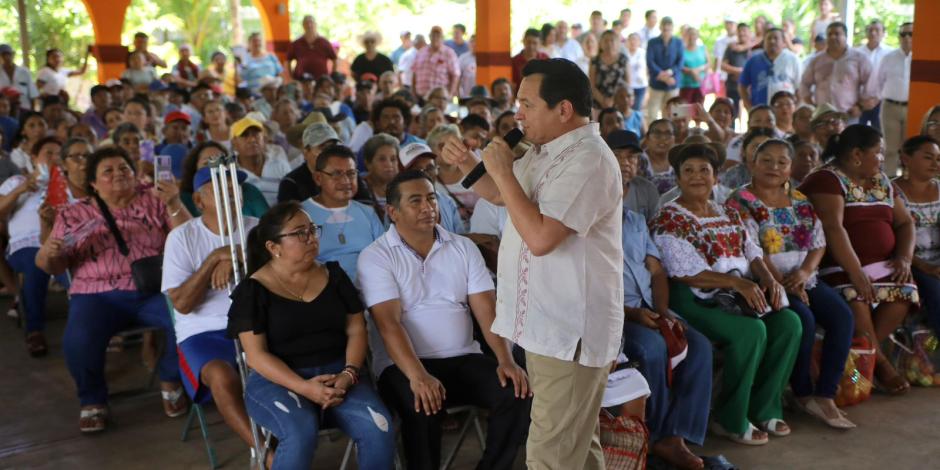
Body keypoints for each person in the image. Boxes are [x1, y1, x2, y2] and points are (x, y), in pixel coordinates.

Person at [441, 58, 624, 469]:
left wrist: (504, 171)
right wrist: (471, 165)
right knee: (575, 445)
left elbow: (540, 238)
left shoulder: (588, 159)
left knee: (549, 454)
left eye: (527, 104)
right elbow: (503, 196)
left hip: (568, 331)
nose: (517, 114)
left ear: (563, 110)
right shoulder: (546, 151)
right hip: (546, 327)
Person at [358, 170, 531, 470]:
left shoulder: (462, 247)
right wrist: (417, 375)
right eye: (416, 201)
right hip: (404, 366)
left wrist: (505, 358)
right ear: (393, 211)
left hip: (463, 357)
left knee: (516, 390)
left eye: (431, 198)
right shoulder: (376, 256)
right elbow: (389, 324)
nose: (428, 207)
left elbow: (487, 310)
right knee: (423, 403)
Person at [650, 142, 802, 445]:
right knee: (751, 331)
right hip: (692, 297)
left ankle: (764, 406)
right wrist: (737, 283)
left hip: (736, 295)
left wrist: (767, 278)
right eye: (688, 171)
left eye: (704, 170)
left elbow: (752, 251)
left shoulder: (727, 213)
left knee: (790, 324)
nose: (697, 176)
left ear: (715, 176)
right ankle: (729, 418)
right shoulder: (670, 217)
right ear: (678, 179)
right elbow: (685, 272)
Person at [228, 201, 395, 469]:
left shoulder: (334, 276)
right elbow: (256, 356)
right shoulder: (254, 291)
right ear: (273, 247)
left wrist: (349, 374)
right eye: (299, 233)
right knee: (299, 430)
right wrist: (305, 388)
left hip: (339, 375)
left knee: (378, 427)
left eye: (313, 230)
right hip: (277, 382)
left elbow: (355, 329)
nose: (311, 238)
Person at [35, 146, 190, 433]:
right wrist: (49, 251)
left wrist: (175, 203)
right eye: (108, 171)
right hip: (96, 295)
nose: (118, 174)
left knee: (188, 319)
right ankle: (92, 400)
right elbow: (52, 267)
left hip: (153, 289)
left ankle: (171, 379)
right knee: (78, 340)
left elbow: (189, 239)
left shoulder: (156, 200)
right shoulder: (73, 213)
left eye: (124, 168)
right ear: (92, 183)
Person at [725, 139, 856, 429]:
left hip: (803, 279)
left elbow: (818, 243)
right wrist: (782, 282)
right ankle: (801, 392)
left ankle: (826, 394)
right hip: (764, 281)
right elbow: (751, 248)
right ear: (752, 164)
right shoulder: (740, 200)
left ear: (790, 167)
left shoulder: (800, 200)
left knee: (842, 316)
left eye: (781, 162)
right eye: (766, 160)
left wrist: (805, 272)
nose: (774, 167)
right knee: (804, 319)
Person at [800, 124, 918, 396]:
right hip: (837, 264)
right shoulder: (826, 179)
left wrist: (904, 258)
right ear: (856, 154)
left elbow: (905, 224)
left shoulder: (881, 180)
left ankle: (863, 358)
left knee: (904, 293)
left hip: (882, 264)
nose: (882, 158)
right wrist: (856, 273)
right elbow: (833, 228)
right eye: (878, 152)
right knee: (857, 296)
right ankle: (881, 366)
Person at [162, 166, 260, 458]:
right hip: (203, 331)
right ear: (199, 200)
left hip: (255, 323)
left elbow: (282, 277)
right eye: (219, 190)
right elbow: (182, 304)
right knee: (222, 376)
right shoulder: (182, 237)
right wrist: (214, 259)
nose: (230, 194)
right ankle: (265, 454)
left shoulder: (256, 228)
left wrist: (237, 254)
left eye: (235, 189)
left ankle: (285, 436)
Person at [619, 206, 712, 469]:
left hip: (649, 307)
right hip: (615, 312)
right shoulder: (587, 221)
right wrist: (635, 314)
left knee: (699, 346)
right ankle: (654, 434)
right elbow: (591, 286)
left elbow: (657, 271)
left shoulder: (634, 219)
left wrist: (662, 313)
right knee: (651, 348)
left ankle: (676, 434)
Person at [0, 137, 68, 356]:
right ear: (34, 158)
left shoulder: (67, 184)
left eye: (59, 154)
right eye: (49, 153)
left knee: (79, 267)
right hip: (25, 244)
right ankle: (34, 330)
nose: (55, 158)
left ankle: (92, 322)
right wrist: (20, 190)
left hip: (62, 241)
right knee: (35, 262)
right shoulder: (16, 182)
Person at [301, 145, 384, 283]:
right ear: (318, 178)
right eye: (336, 174)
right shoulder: (301, 215)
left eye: (351, 173)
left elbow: (384, 255)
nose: (346, 181)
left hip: (371, 288)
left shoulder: (367, 212)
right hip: (321, 289)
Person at [892, 136, 940, 338]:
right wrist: (925, 266)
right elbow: (892, 239)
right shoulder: (892, 191)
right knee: (936, 293)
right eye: (929, 157)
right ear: (906, 158)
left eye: (938, 159)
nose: (935, 164)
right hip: (909, 262)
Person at [800, 23, 874, 121]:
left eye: (837, 34)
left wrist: (860, 106)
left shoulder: (859, 58)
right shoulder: (817, 60)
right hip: (822, 115)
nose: (833, 37)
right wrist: (811, 104)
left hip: (848, 115)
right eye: (829, 34)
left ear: (846, 37)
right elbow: (804, 83)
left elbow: (871, 85)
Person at [179, 141, 269, 218]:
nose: (216, 168)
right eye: (207, 163)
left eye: (221, 162)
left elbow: (267, 224)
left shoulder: (248, 191)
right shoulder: (184, 199)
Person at [870, 22, 913, 177]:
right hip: (890, 106)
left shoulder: (922, 57)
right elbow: (878, 82)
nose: (907, 37)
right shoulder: (888, 57)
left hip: (914, 108)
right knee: (890, 149)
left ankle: (909, 180)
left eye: (911, 34)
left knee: (911, 148)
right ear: (899, 37)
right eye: (903, 34)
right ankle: (889, 183)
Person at [398, 142, 466, 234]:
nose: (425, 174)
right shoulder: (397, 207)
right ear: (403, 174)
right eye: (417, 170)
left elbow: (460, 237)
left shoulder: (447, 201)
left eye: (430, 168)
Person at [231, 117, 290, 206]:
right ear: (234, 143)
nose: (252, 140)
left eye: (256, 135)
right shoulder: (230, 171)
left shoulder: (280, 165)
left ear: (265, 140)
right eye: (245, 135)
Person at [739, 28, 801, 110]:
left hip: (785, 112)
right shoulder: (753, 60)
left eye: (776, 38)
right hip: (760, 111)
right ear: (764, 42)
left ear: (783, 42)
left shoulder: (793, 59)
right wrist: (749, 107)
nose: (772, 41)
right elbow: (742, 85)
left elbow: (800, 88)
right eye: (769, 38)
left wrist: (796, 108)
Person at [607, 130, 658, 221]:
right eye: (617, 156)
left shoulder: (648, 190)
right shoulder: (595, 191)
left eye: (631, 157)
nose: (625, 163)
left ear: (638, 162)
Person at [855, 21, 892, 131]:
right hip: (859, 102)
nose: (873, 33)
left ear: (883, 33)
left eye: (877, 30)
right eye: (870, 30)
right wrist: (861, 101)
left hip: (881, 102)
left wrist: (877, 99)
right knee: (858, 134)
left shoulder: (889, 53)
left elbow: (889, 79)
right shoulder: (857, 52)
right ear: (866, 33)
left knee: (879, 135)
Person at [645, 17, 684, 123]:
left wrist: (669, 73)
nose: (666, 31)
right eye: (664, 28)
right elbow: (650, 61)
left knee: (671, 113)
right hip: (656, 82)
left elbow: (680, 62)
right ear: (660, 27)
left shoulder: (678, 42)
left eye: (668, 29)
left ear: (672, 28)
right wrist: (661, 74)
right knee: (652, 113)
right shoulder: (652, 42)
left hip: (672, 83)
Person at [412, 26, 460, 99]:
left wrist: (450, 95)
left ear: (442, 38)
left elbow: (455, 75)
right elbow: (414, 73)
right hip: (420, 96)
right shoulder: (421, 52)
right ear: (429, 36)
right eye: (433, 35)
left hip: (440, 97)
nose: (435, 38)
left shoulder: (449, 53)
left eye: (438, 36)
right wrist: (413, 93)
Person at [360, 133, 400, 218]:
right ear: (368, 163)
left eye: (393, 159)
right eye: (382, 159)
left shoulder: (403, 188)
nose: (389, 164)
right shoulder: (359, 189)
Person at [287, 15, 336, 81]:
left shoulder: (324, 42)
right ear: (303, 26)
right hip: (301, 80)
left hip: (320, 81)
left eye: (311, 22)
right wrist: (291, 77)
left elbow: (334, 59)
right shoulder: (296, 43)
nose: (309, 25)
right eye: (306, 23)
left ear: (315, 25)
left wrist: (332, 76)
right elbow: (288, 60)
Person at [590, 30, 630, 109]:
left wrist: (613, 100)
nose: (609, 43)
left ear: (617, 42)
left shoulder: (624, 59)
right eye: (606, 40)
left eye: (612, 40)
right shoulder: (594, 60)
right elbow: (591, 85)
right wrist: (603, 100)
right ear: (601, 43)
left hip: (619, 101)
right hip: (598, 102)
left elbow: (628, 83)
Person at [641, 119, 678, 194]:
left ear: (674, 139)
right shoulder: (638, 161)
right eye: (657, 134)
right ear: (647, 138)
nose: (663, 138)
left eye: (668, 134)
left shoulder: (680, 161)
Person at [721, 23, 752, 110]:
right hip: (732, 86)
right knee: (732, 112)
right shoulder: (731, 47)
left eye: (744, 31)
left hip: (750, 88)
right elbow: (723, 65)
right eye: (739, 31)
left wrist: (744, 72)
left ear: (750, 32)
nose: (742, 33)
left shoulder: (755, 47)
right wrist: (739, 71)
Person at [0, 44, 39, 111]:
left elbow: (33, 94)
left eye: (8, 54)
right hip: (4, 111)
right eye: (3, 55)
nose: (6, 57)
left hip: (24, 108)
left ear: (13, 54)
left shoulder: (24, 71)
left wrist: (33, 111)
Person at [679, 27, 709, 105]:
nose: (692, 37)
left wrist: (699, 69)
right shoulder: (681, 50)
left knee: (699, 109)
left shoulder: (703, 48)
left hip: (701, 84)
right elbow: (679, 66)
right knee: (684, 110)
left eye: (694, 34)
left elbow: (708, 63)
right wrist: (691, 71)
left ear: (697, 36)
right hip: (686, 85)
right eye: (689, 34)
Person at [625, 33, 649, 113]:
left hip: (640, 85)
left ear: (639, 42)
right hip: (627, 85)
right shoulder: (624, 53)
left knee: (637, 109)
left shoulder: (644, 53)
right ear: (627, 41)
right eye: (631, 39)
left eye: (635, 40)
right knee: (626, 108)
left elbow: (648, 70)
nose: (633, 42)